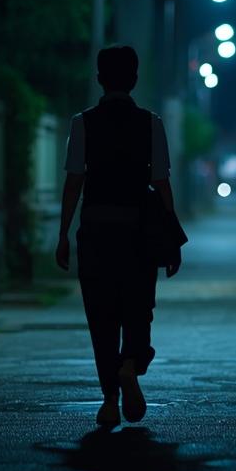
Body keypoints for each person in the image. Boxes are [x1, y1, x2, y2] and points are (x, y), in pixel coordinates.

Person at [55, 45, 184, 427]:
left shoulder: (83, 123)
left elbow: (73, 183)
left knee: (101, 315)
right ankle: (131, 364)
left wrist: (62, 234)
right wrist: (172, 236)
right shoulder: (151, 123)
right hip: (138, 231)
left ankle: (109, 399)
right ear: (135, 79)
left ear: (99, 79)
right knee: (138, 307)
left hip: (95, 229)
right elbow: (161, 182)